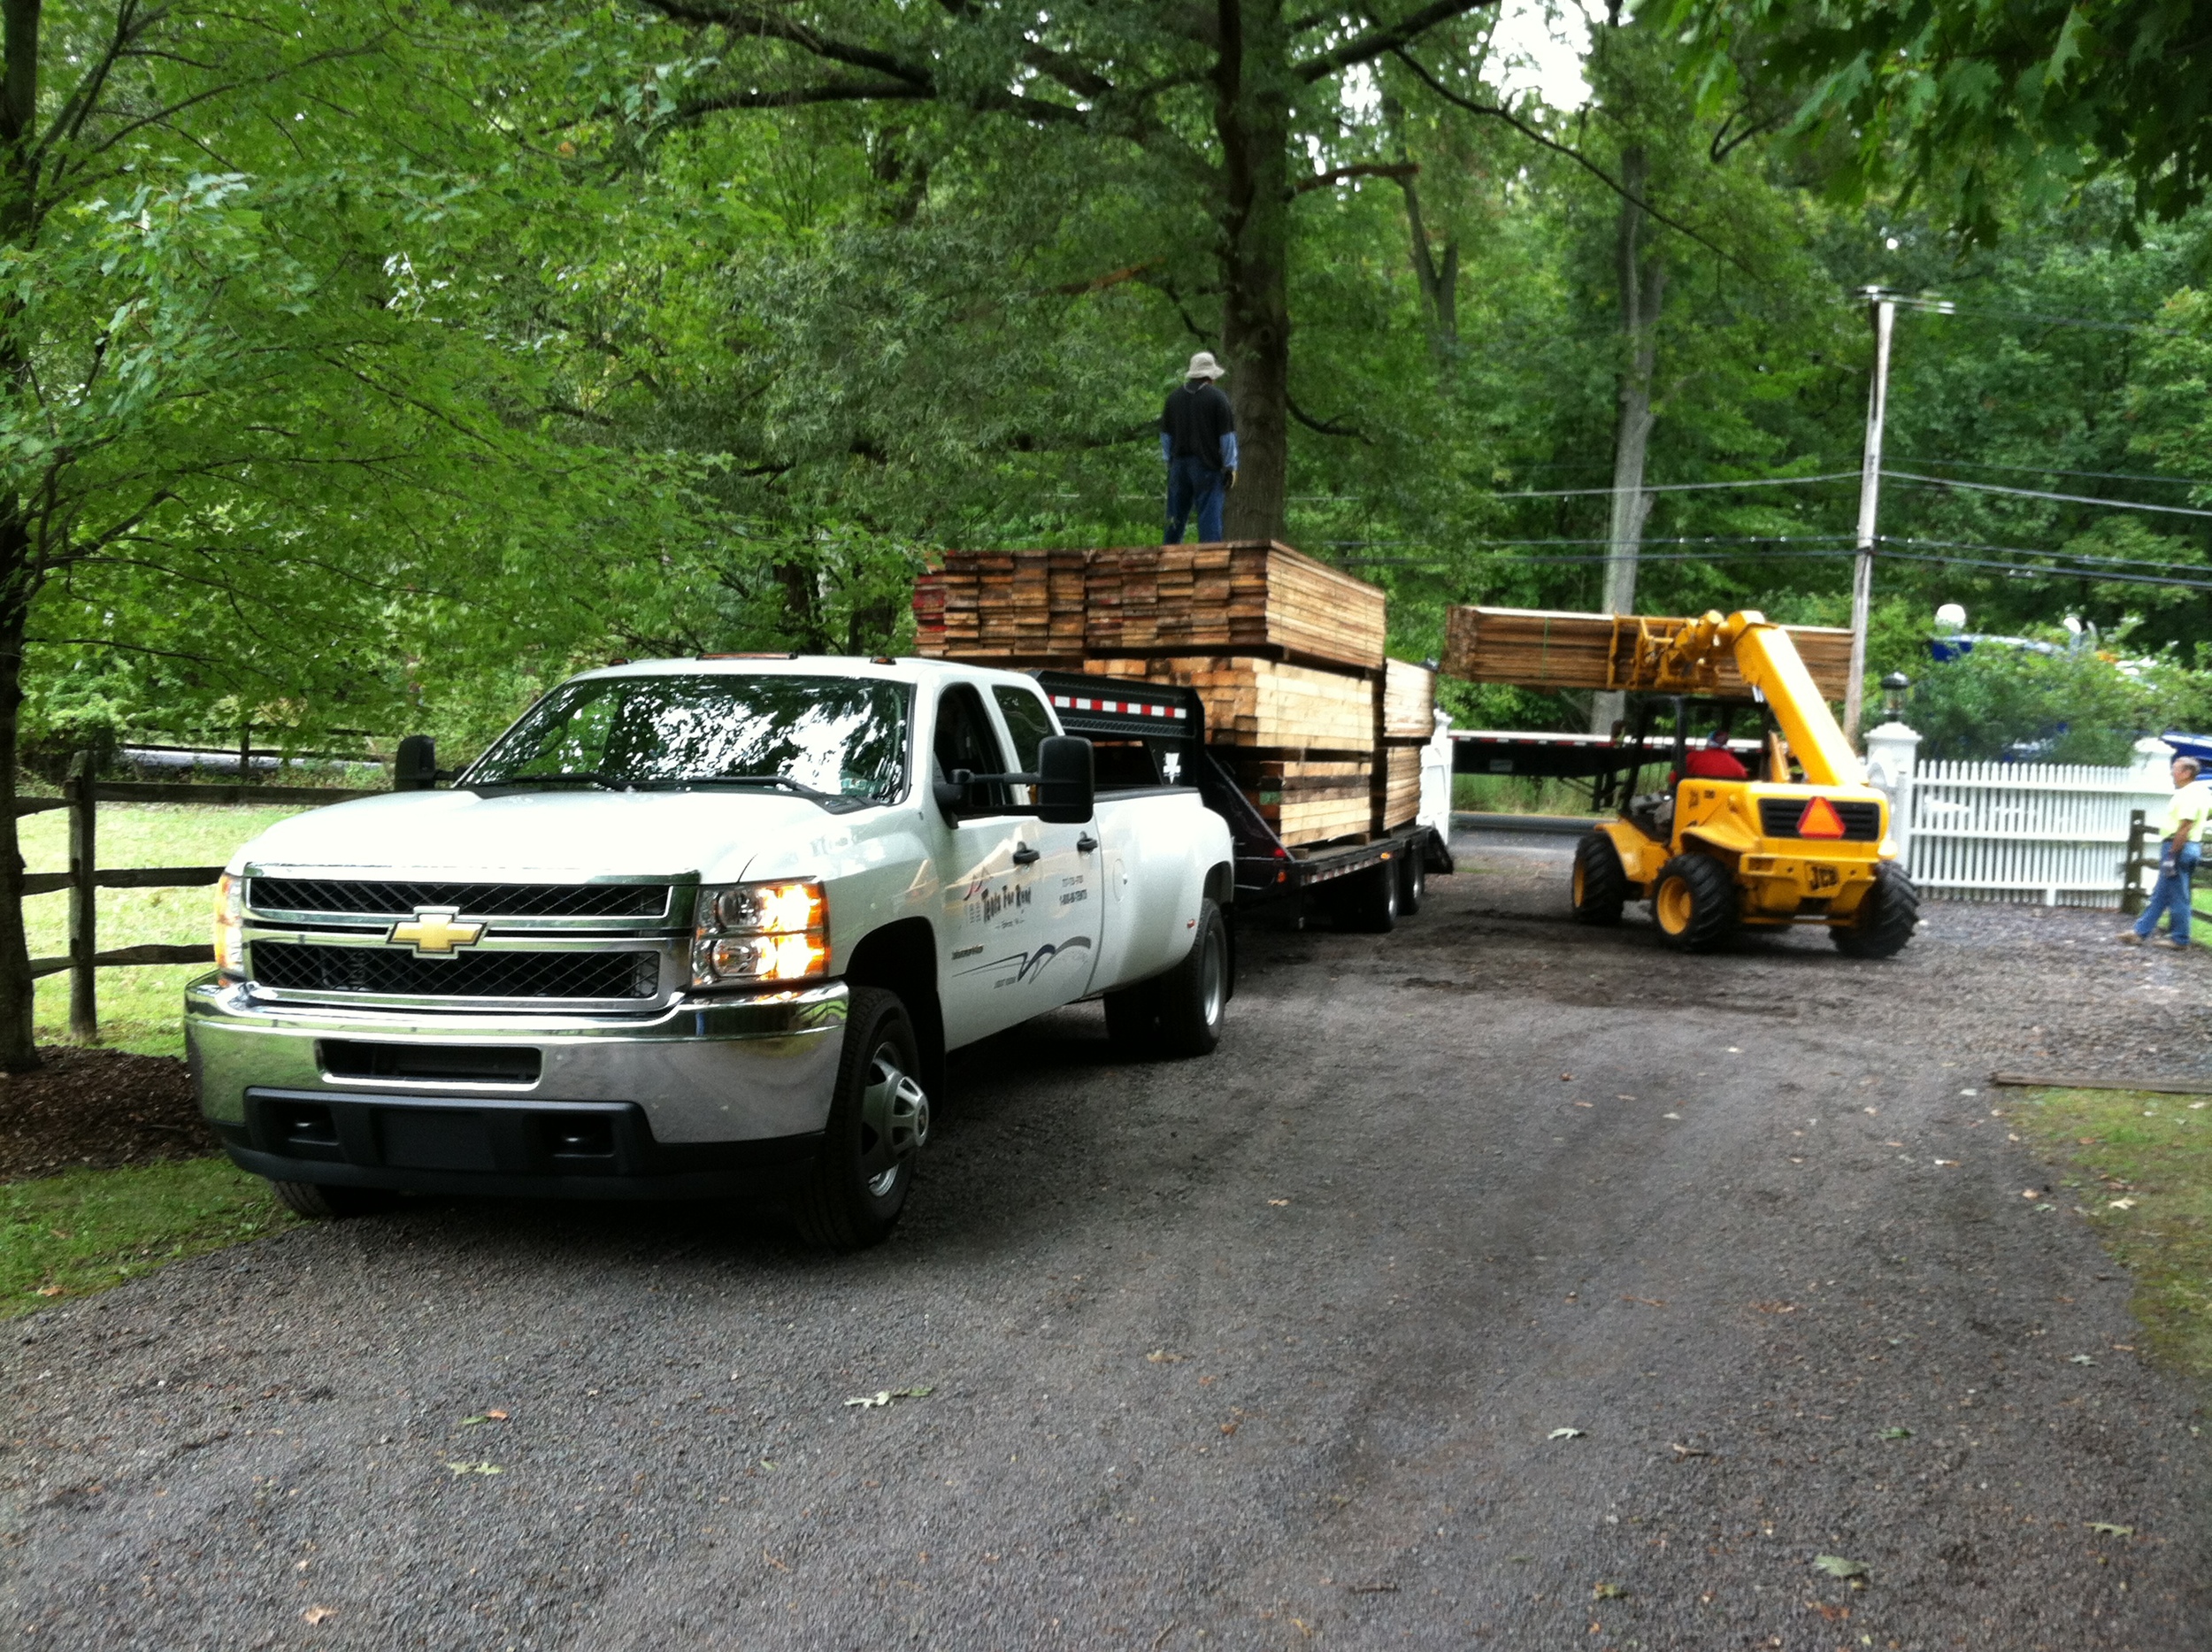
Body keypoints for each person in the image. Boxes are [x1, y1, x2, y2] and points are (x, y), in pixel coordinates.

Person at [2124, 754, 2210, 949]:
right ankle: (2140, 932)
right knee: (2161, 893)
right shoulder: (2202, 791)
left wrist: (2172, 854)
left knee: (2179, 896)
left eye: (2176, 768)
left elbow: (2185, 825)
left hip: (2179, 845)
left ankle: (2180, 939)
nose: (2172, 772)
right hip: (2187, 846)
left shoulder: (2188, 794)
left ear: (2187, 773)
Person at [1161, 351, 1239, 544]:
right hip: (1207, 467)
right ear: (1210, 376)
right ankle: (1211, 563)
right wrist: (1231, 466)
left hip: (1179, 465)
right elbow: (1227, 437)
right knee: (1209, 521)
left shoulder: (1174, 398)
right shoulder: (1218, 398)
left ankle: (1167, 560)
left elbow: (1165, 436)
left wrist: (1169, 461)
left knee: (1174, 520)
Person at [1684, 725, 1749, 781]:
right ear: (1726, 743)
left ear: (1709, 741)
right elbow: (1744, 780)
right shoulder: (1737, 766)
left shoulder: (1692, 757)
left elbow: (1675, 777)